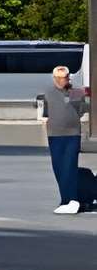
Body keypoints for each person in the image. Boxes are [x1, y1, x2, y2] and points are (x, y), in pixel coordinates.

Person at [40, 64, 86, 213]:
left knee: (70, 166)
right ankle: (65, 199)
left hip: (72, 134)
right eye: (58, 78)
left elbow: (81, 110)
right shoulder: (48, 92)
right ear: (54, 78)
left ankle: (72, 199)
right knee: (58, 167)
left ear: (68, 77)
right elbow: (46, 113)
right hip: (54, 134)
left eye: (64, 78)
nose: (61, 81)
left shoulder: (76, 92)